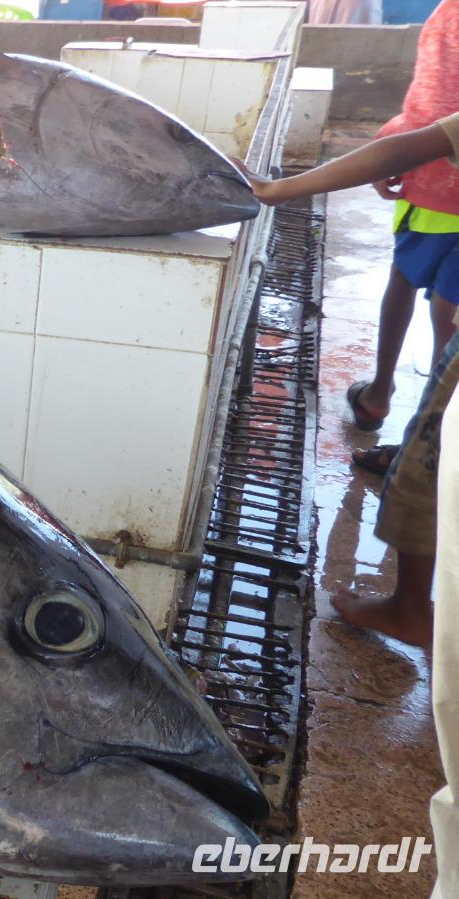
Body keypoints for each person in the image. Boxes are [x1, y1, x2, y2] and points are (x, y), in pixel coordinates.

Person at [247, 112, 459, 648]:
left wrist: (276, 189)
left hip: (434, 214)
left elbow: (406, 146)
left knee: (427, 468)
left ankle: (411, 610)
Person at [340, 0, 459, 470]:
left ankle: (412, 431)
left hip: (439, 187)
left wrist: (392, 146)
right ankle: (434, 439)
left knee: (426, 297)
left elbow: (436, 103)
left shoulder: (451, 16)